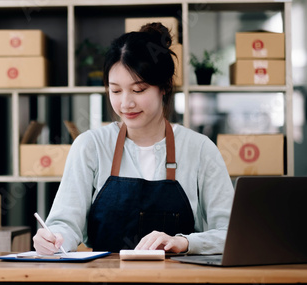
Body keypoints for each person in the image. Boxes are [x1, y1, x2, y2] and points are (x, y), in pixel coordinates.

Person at [33, 23, 234, 255]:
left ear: (165, 87)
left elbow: (230, 232)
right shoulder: (90, 146)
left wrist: (185, 243)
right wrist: (54, 238)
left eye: (138, 90)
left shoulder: (200, 150)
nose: (126, 103)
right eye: (116, 91)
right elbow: (65, 224)